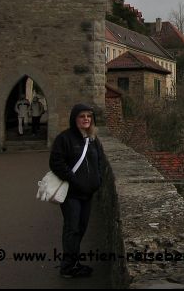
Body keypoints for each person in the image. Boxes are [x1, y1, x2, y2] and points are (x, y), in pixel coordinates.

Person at [49, 104, 106, 278]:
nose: (86, 119)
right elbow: (56, 163)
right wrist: (74, 180)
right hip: (71, 194)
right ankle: (67, 267)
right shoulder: (64, 139)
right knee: (72, 228)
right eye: (82, 116)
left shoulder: (93, 139)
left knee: (80, 228)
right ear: (75, 119)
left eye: (89, 116)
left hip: (87, 194)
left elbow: (99, 161)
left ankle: (74, 262)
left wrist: (98, 180)